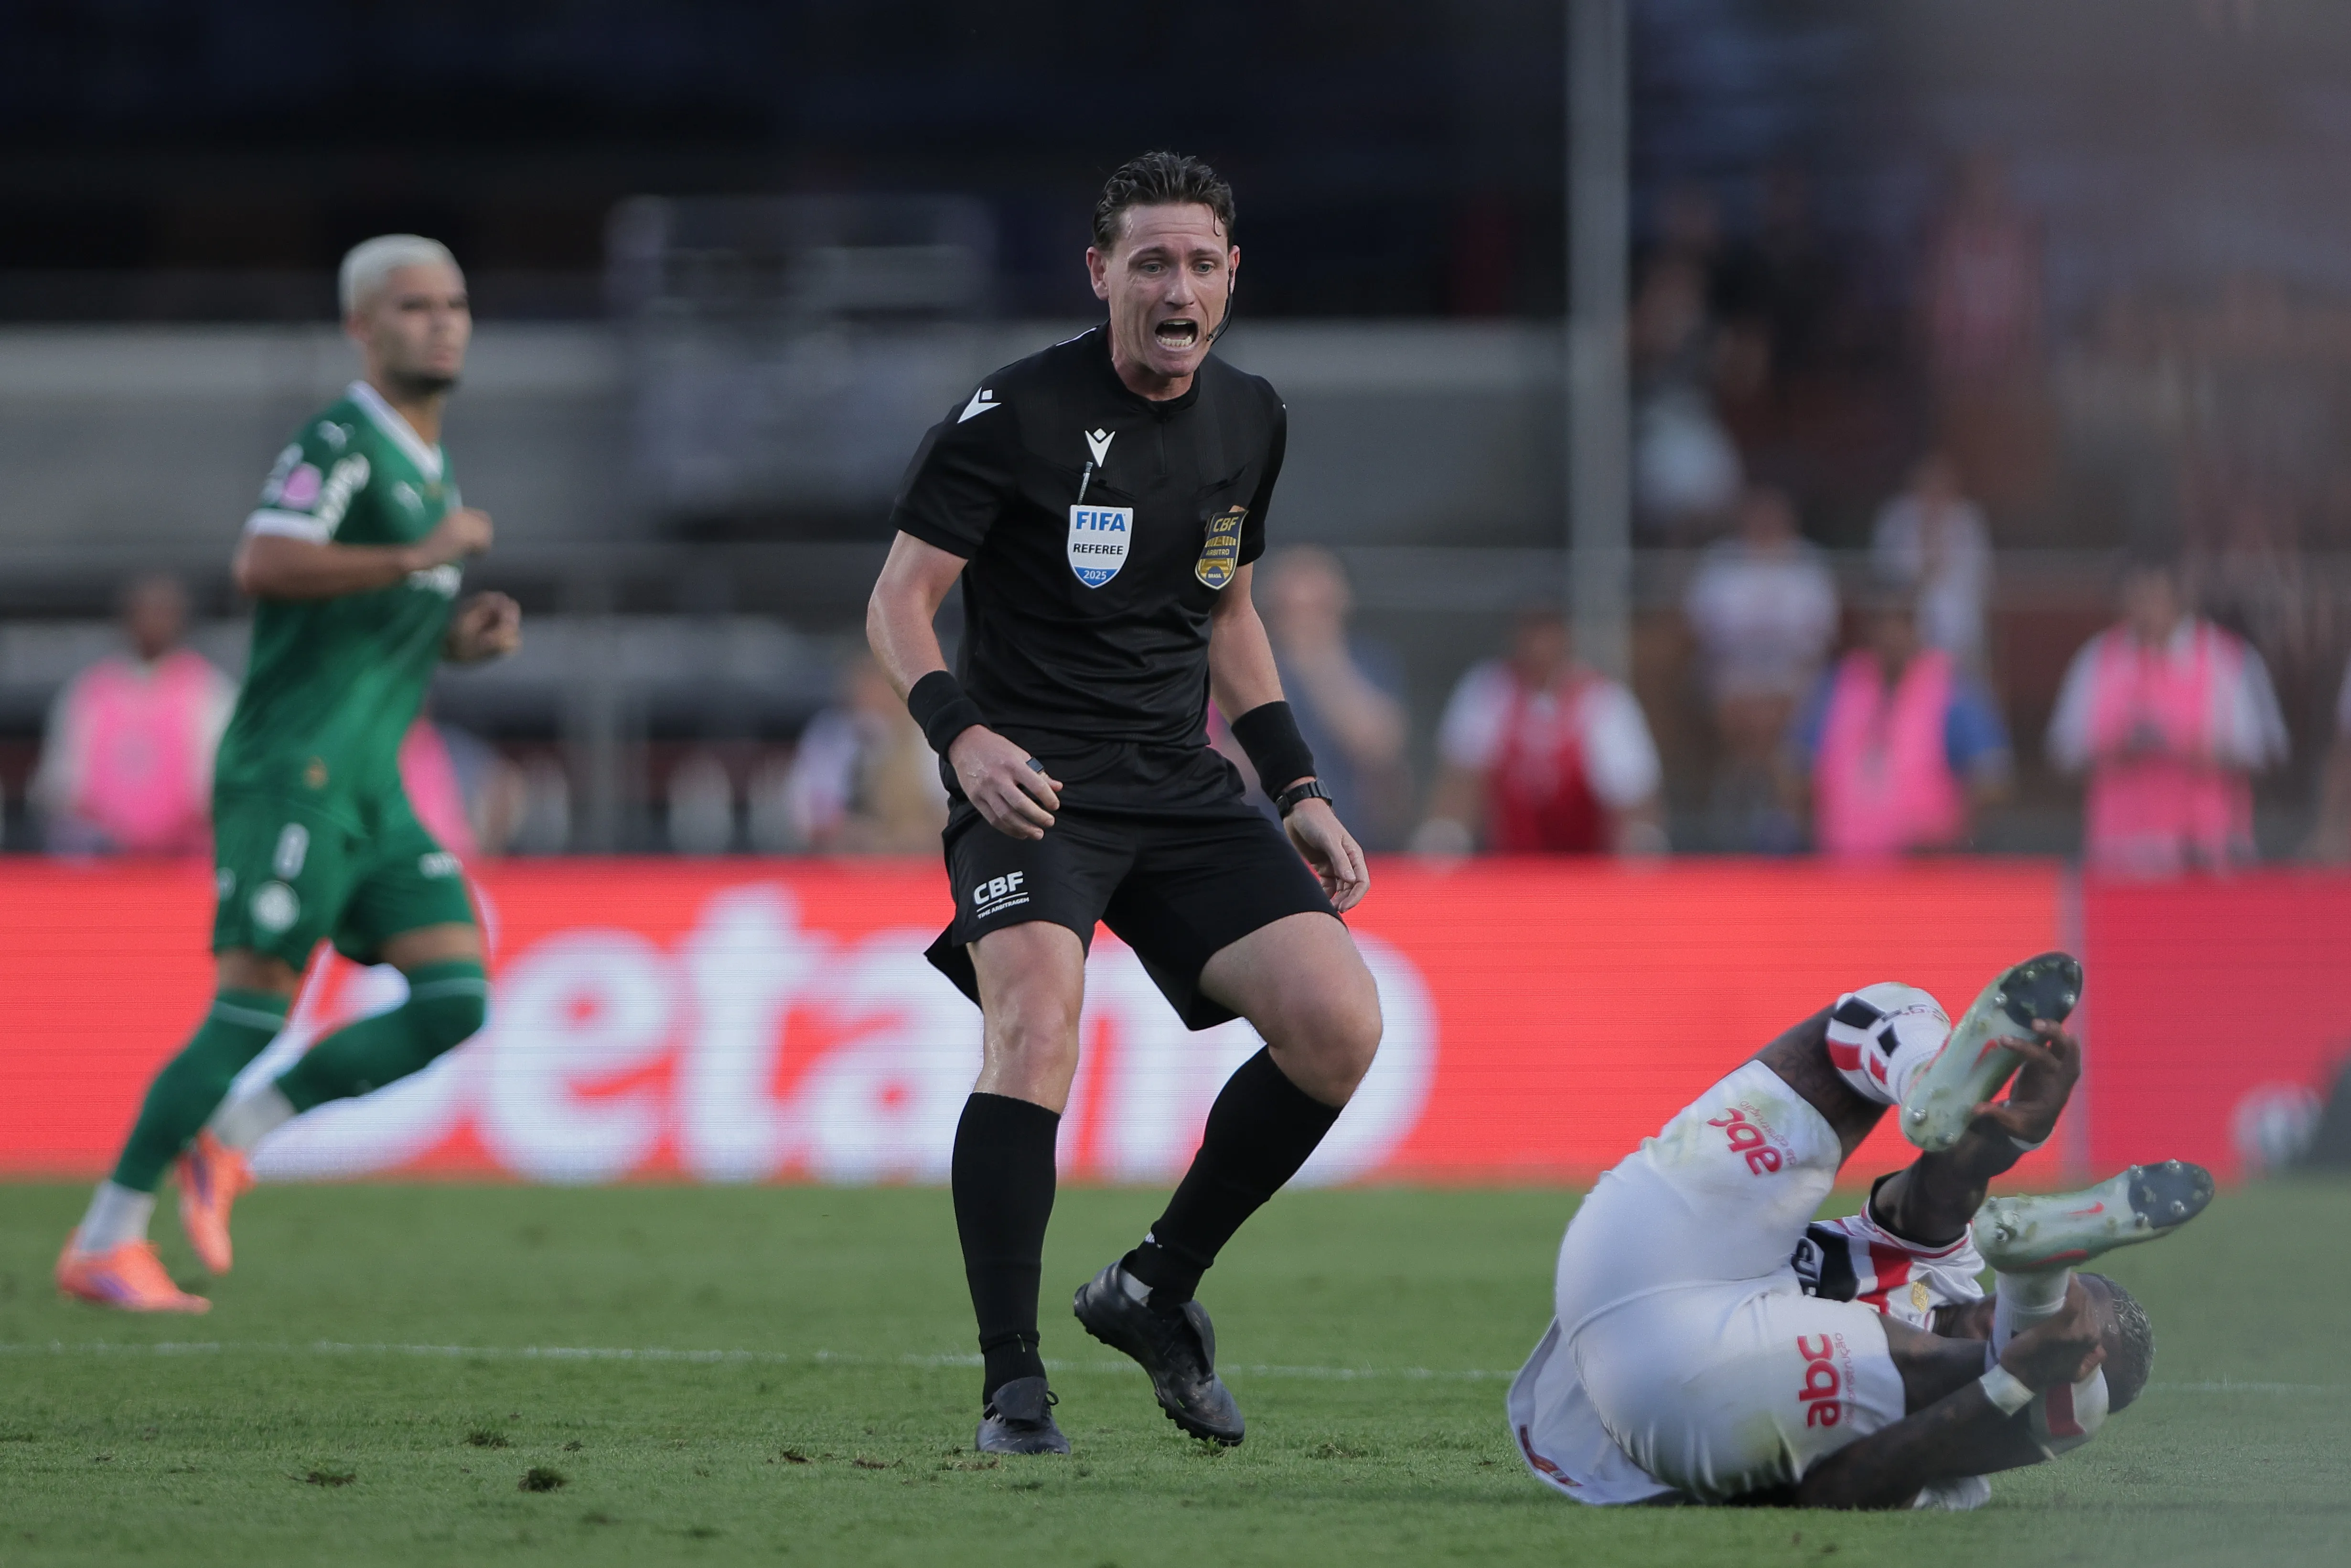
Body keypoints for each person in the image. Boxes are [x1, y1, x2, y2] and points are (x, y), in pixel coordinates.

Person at [866, 152, 1383, 1456]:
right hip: (1032, 787)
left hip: (1180, 786)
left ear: (1230, 279)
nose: (1177, 287)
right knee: (1035, 1029)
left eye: (1200, 263)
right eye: (1149, 261)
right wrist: (961, 739)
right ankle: (1013, 1386)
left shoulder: (1251, 419)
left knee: (1338, 1025)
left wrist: (1298, 787)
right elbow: (897, 604)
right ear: (1099, 275)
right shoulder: (1014, 414)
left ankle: (1154, 1286)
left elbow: (1232, 616)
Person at [55, 235, 522, 1312]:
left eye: (454, 304)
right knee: (252, 1009)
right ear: (362, 327)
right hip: (291, 773)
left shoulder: (428, 463)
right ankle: (106, 1238)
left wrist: (459, 638)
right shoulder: (342, 442)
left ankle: (234, 1138)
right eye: (412, 307)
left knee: (455, 996)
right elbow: (264, 560)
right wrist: (418, 557)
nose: (441, 321)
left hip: (373, 789)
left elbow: (371, 628)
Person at [1509, 951, 2211, 1507]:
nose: (1990, 1309)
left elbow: (1828, 1493)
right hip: (1628, 1259)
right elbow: (1936, 1198)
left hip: (1674, 1396)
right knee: (1889, 1007)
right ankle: (1926, 1080)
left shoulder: (1952, 1468)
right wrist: (2014, 1136)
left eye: (2067, 1328)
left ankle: (2039, 1335)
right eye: (2064, 1308)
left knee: (2041, 1400)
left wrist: (2012, 1380)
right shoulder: (1947, 1269)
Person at [2046, 554, 2288, 876]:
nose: (2145, 610)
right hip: (2117, 858)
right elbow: (2063, 752)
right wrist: (2115, 750)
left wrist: (2190, 748)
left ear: (2179, 598)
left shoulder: (2225, 657)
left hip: (2205, 855)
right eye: (2136, 599)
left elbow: (2265, 751)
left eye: (2154, 597)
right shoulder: (2098, 658)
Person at [1416, 609, 1664, 857]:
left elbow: (1632, 798)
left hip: (1586, 872)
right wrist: (1445, 839)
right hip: (1507, 868)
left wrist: (1637, 854)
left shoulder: (1604, 701)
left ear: (1566, 637)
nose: (1539, 645)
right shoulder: (1489, 689)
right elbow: (1460, 780)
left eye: (1548, 633)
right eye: (1531, 632)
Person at [1784, 594, 2012, 859]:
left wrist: (1951, 838)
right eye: (1881, 624)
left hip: (1926, 871)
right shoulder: (1837, 686)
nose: (1890, 635)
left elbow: (1993, 779)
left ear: (1919, 629)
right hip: (1840, 864)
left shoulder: (1953, 691)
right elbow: (1794, 768)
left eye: (1901, 623)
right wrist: (1812, 828)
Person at [31, 574, 236, 856]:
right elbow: (62, 786)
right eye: (143, 612)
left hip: (185, 864)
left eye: (163, 613)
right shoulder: (89, 693)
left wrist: (169, 832)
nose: (152, 622)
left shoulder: (211, 693)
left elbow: (218, 788)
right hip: (105, 863)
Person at [1684, 485, 1840, 849]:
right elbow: (1697, 630)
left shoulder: (1808, 564)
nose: (1766, 524)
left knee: (1784, 714)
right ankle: (1759, 800)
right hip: (1732, 672)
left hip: (1791, 675)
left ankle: (1774, 804)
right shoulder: (1721, 561)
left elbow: (1821, 640)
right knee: (1746, 710)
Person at [1243, 547, 1410, 849]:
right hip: (1263, 841)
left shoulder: (1369, 663)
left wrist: (1319, 662)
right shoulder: (1242, 669)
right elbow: (1232, 770)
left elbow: (1379, 750)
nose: (1303, 623)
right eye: (1290, 610)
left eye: (1317, 610)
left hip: (1351, 839)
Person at [776, 655, 950, 853]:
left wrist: (911, 837)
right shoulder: (831, 734)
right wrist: (856, 834)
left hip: (920, 864)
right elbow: (809, 813)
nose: (873, 693)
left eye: (882, 684)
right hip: (844, 864)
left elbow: (952, 813)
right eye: (866, 684)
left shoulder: (931, 735)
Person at [1870, 452, 1995, 671]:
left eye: (1941, 487)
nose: (1934, 493)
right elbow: (1887, 573)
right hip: (1907, 618)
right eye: (1928, 486)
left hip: (1959, 622)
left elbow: (1980, 578)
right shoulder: (1897, 518)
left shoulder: (1968, 519)